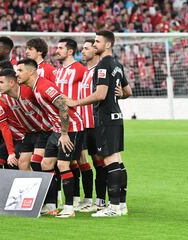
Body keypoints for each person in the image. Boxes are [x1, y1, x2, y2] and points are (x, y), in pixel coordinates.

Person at [66, 30, 132, 217]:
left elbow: (100, 94)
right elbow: (128, 91)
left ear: (108, 44)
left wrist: (75, 102)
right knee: (118, 161)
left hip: (105, 118)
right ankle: (121, 205)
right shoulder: (117, 64)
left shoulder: (103, 65)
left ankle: (113, 207)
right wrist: (120, 94)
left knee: (110, 161)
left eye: (97, 41)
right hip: (116, 117)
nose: (95, 44)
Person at [16, 58, 84, 218]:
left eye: (20, 71)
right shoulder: (35, 88)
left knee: (63, 165)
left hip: (71, 128)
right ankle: (51, 205)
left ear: (31, 72)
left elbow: (63, 107)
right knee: (46, 164)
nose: (17, 74)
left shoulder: (44, 86)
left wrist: (65, 133)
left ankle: (69, 207)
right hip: (57, 129)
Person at [0, 68, 53, 171]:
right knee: (22, 163)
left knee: (37, 162)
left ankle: (52, 186)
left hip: (45, 131)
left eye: (1, 82)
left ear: (12, 82)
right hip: (29, 133)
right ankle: (31, 187)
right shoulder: (6, 97)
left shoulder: (28, 91)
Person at [55, 38, 88, 209]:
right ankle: (75, 199)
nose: (57, 50)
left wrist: (77, 102)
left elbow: (94, 90)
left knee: (76, 161)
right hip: (61, 122)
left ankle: (87, 200)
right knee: (70, 162)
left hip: (76, 122)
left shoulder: (80, 70)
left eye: (60, 48)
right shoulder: (58, 71)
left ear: (70, 51)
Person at [77, 39, 107, 213]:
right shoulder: (86, 72)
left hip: (95, 125)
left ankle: (102, 201)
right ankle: (88, 199)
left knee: (99, 163)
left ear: (95, 51)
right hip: (83, 125)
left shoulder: (99, 71)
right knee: (82, 161)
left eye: (86, 48)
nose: (83, 51)